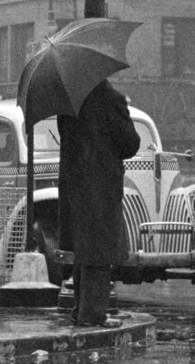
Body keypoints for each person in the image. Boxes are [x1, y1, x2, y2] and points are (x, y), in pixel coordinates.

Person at [57, 78, 141, 327]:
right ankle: (93, 315)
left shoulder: (68, 102)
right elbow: (130, 144)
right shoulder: (111, 99)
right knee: (100, 250)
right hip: (101, 183)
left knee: (83, 248)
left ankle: (81, 310)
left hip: (75, 183)